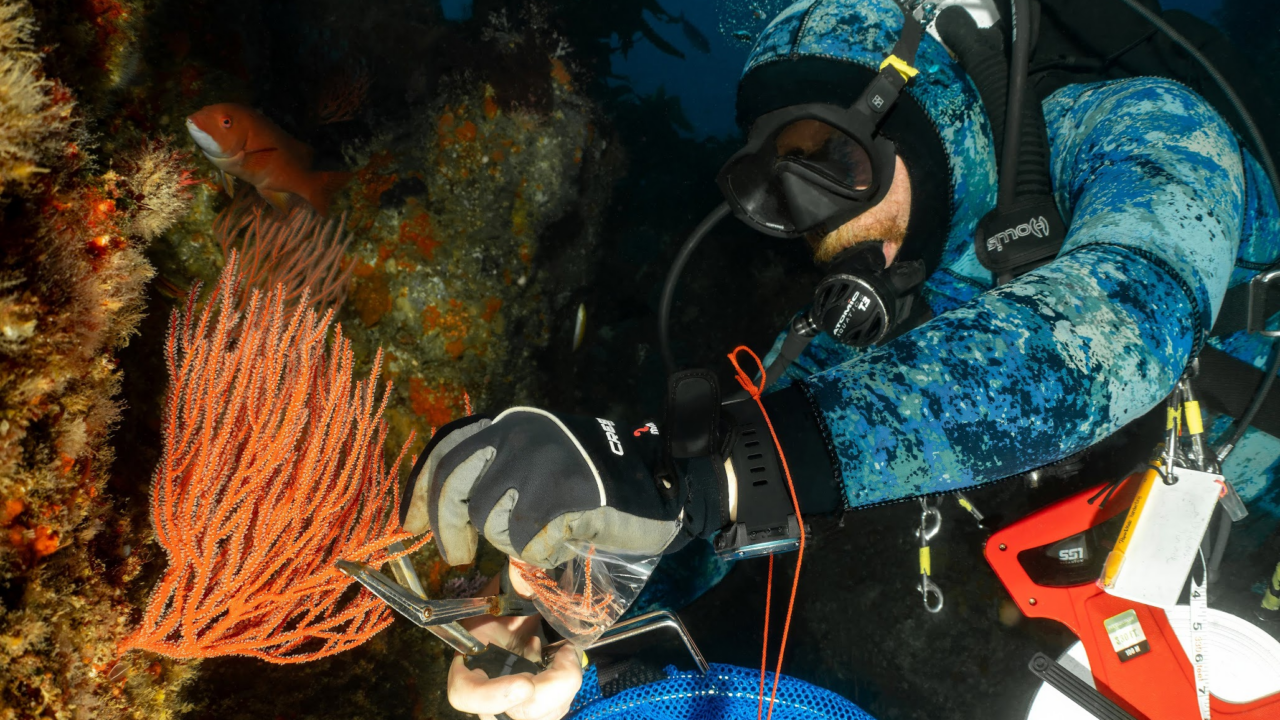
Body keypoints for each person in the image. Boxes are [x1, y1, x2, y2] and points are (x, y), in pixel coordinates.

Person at [401, 0, 1280, 717]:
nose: (813, 215)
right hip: (1137, 601)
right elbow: (715, 482)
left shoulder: (1144, 126)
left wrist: (726, 473)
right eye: (774, 185)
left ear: (915, 108)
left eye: (827, 159)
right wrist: (569, 604)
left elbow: (1122, 331)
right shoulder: (900, 275)